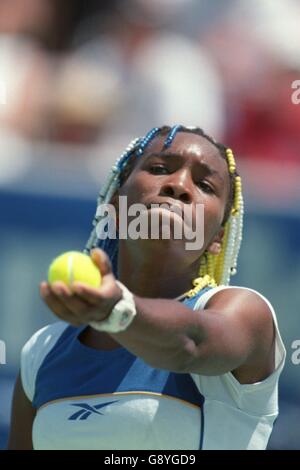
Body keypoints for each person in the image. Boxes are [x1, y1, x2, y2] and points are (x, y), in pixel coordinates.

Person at [8, 125, 286, 450]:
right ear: (115, 203)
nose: (179, 186)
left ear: (217, 239)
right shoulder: (42, 353)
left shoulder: (246, 315)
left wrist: (116, 310)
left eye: (205, 185)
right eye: (158, 169)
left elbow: (190, 345)